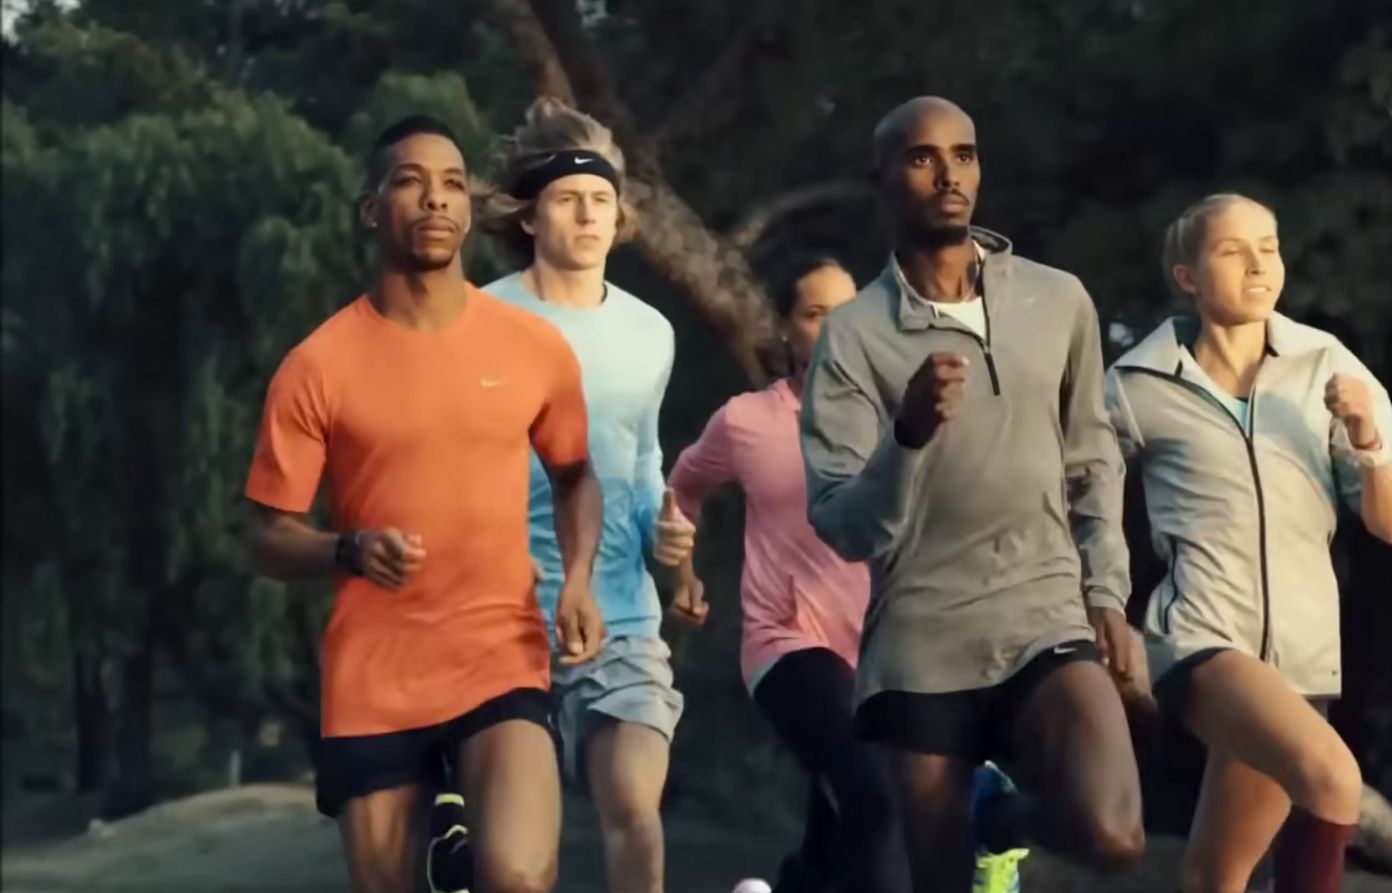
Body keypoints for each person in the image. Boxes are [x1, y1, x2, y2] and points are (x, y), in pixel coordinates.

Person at [243, 114, 605, 893]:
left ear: (469, 210)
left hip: (499, 653)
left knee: (518, 876)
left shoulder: (532, 347)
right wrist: (345, 547)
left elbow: (576, 475)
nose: (435, 200)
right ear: (373, 209)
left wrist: (577, 579)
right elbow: (266, 535)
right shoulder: (317, 365)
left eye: (450, 184)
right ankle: (448, 835)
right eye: (410, 182)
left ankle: (466, 845)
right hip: (374, 675)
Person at [798, 96, 1145, 893]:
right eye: (923, 157)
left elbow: (1094, 458)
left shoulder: (1058, 300)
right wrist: (908, 435)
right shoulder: (851, 336)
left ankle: (1005, 818)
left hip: (1044, 609)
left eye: (966, 154)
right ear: (881, 177)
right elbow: (844, 524)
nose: (950, 174)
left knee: (1114, 832)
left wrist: (1108, 591)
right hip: (922, 637)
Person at [1105, 193, 1392, 893]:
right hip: (1201, 639)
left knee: (1216, 874)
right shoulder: (1134, 384)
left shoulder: (1326, 364)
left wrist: (1367, 439)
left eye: (1268, 247)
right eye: (1232, 251)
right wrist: (1100, 605)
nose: (1258, 265)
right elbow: (1075, 498)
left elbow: (1391, 524)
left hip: (1302, 658)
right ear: (1187, 275)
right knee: (1334, 779)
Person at [476, 96, 694, 893]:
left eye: (602, 199)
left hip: (621, 621)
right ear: (530, 215)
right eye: (569, 199)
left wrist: (669, 541)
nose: (589, 215)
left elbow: (641, 467)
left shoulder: (651, 333)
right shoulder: (481, 319)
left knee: (637, 803)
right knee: (517, 864)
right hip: (498, 624)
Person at [667, 252, 910, 893]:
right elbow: (684, 488)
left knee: (845, 812)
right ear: (785, 329)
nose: (835, 327)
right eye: (815, 312)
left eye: (849, 311)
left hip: (881, 651)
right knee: (873, 796)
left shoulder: (898, 420)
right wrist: (683, 574)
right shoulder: (747, 420)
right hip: (787, 642)